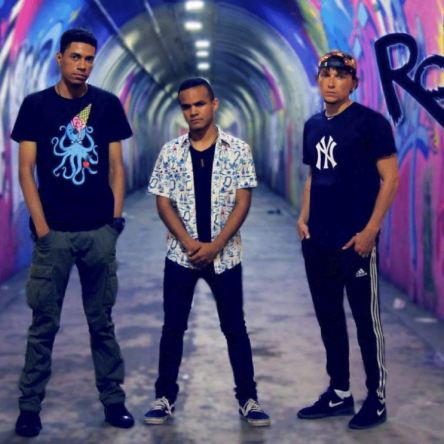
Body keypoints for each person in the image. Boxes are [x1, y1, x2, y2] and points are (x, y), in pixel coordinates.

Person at [11, 28, 134, 437]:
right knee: (43, 325)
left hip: (98, 232)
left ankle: (113, 401)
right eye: (76, 57)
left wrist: (114, 223)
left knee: (102, 323)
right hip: (55, 237)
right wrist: (43, 228)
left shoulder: (107, 105)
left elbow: (116, 167)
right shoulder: (35, 106)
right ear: (60, 58)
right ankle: (29, 407)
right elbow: (25, 171)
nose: (83, 65)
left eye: (89, 59)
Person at [145, 77, 271, 427]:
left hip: (225, 257)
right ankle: (164, 398)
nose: (193, 112)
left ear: (214, 104)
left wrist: (216, 245)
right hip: (180, 256)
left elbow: (243, 202)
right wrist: (189, 243)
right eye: (186, 106)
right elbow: (163, 202)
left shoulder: (237, 150)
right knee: (173, 328)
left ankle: (248, 399)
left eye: (199, 104)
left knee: (234, 327)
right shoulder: (170, 152)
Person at [296, 50, 399, 430]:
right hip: (318, 241)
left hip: (355, 242)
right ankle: (339, 392)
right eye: (326, 74)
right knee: (329, 320)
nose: (332, 81)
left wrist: (371, 230)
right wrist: (303, 217)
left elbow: (391, 178)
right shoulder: (312, 126)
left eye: (341, 75)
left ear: (353, 82)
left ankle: (377, 398)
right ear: (318, 79)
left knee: (366, 324)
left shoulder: (371, 124)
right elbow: (314, 175)